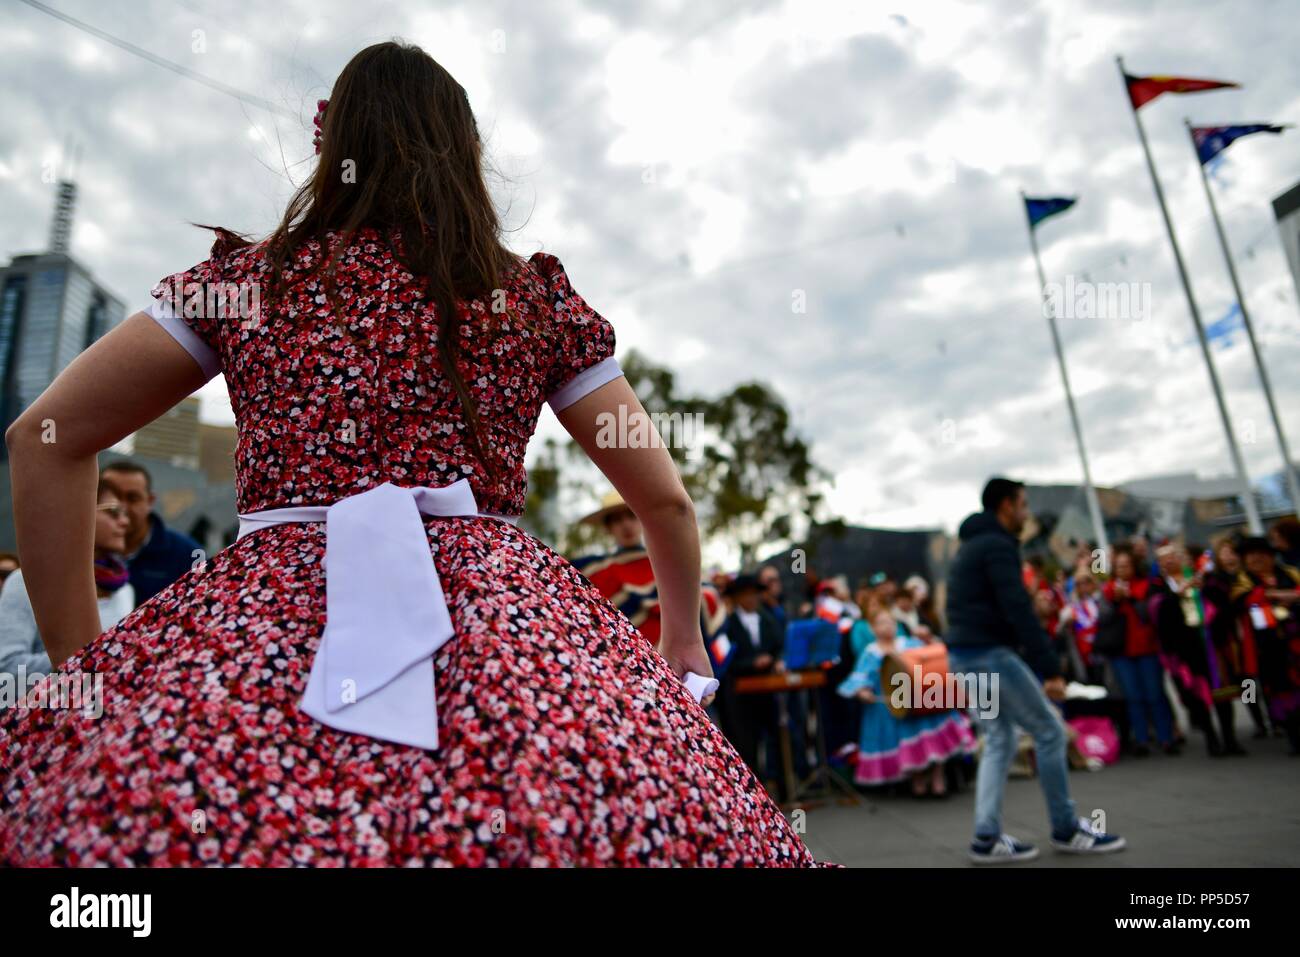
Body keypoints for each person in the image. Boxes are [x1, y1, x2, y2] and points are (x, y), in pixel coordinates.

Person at [0, 41, 823, 867]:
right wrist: (682, 635)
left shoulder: (249, 283)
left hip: (258, 625)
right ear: (467, 154)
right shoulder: (531, 297)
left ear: (330, 146)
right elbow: (667, 502)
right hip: (510, 631)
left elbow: (46, 440)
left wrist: (88, 681)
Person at [946, 477, 1125, 863]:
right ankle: (1066, 828)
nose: (1026, 513)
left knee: (999, 740)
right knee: (1048, 731)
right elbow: (1015, 608)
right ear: (1007, 506)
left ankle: (986, 837)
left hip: (965, 655)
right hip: (988, 656)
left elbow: (991, 607)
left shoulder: (972, 546)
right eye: (1023, 505)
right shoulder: (997, 545)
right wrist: (1050, 669)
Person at [0, 481, 135, 684]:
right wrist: (93, 657)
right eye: (114, 512)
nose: (125, 521)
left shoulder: (124, 590)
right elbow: (7, 669)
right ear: (77, 514)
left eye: (125, 513)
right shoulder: (27, 581)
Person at [836, 609, 974, 795]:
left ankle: (937, 778)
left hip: (919, 703)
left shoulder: (909, 644)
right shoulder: (871, 652)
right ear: (873, 628)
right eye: (882, 623)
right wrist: (863, 691)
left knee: (935, 732)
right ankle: (917, 780)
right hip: (894, 708)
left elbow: (933, 661)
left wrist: (930, 641)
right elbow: (861, 677)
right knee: (909, 744)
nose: (887, 627)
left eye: (890, 623)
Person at [1150, 544, 1243, 757]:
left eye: (1174, 556)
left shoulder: (1205, 579)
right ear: (1160, 566)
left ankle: (1230, 738)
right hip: (1186, 650)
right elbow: (1158, 618)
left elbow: (1226, 603)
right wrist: (1177, 595)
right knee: (1198, 697)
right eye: (1164, 559)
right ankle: (1211, 738)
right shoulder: (1159, 587)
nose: (1170, 561)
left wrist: (1206, 588)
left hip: (1214, 645)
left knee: (1223, 693)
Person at [1100, 545, 1177, 756]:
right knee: (1133, 698)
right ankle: (1141, 740)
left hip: (1148, 649)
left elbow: (1150, 615)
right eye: (1118, 566)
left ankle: (1166, 738)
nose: (1122, 569)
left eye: (1126, 565)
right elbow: (1102, 619)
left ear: (1134, 566)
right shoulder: (1107, 589)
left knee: (1155, 695)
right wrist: (1115, 600)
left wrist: (1131, 597)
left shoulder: (1147, 585)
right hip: (1121, 652)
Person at [714, 574, 785, 786]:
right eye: (745, 595)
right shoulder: (726, 624)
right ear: (736, 598)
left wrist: (776, 661)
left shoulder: (768, 619)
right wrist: (752, 663)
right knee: (746, 742)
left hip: (768, 688)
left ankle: (782, 784)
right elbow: (723, 660)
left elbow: (779, 646)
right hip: (740, 693)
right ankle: (753, 787)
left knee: (776, 736)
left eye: (754, 594)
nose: (751, 599)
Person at [100, 461, 203, 606]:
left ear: (150, 501)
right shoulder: (81, 552)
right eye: (112, 498)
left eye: (132, 498)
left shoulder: (188, 554)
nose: (122, 507)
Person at [1232, 537, 1300, 754]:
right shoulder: (1242, 582)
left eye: (1261, 554)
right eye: (1251, 556)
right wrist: (1276, 594)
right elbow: (1241, 601)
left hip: (1295, 640)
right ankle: (1282, 731)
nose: (1256, 559)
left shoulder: (1290, 573)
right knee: (1272, 691)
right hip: (1266, 648)